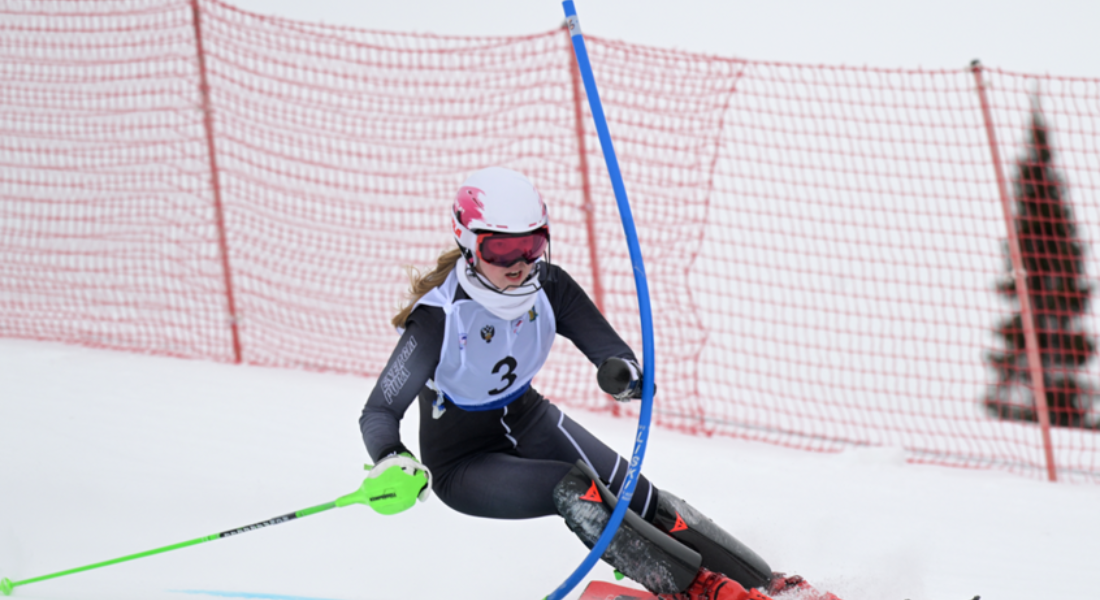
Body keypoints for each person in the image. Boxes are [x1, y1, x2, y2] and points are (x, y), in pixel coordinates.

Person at [358, 167, 837, 600]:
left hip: (529, 418)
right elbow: (379, 410)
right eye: (500, 248)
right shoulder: (439, 318)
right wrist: (391, 457)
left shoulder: (550, 287)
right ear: (468, 242)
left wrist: (624, 376)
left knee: (637, 495)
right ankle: (702, 592)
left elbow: (613, 354)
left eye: (532, 244)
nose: (519, 261)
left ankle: (770, 586)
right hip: (464, 462)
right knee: (575, 489)